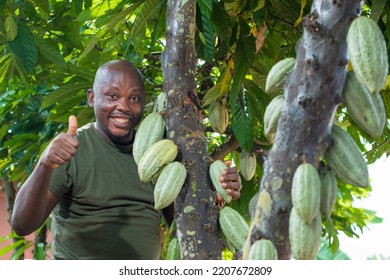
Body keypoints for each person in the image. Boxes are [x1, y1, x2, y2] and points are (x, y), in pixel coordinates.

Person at [11, 59, 242, 260]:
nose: (123, 106)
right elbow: (22, 225)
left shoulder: (160, 153)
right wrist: (45, 164)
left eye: (134, 98)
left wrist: (219, 189)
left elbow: (180, 223)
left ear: (144, 103)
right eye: (112, 96)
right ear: (92, 98)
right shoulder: (72, 148)